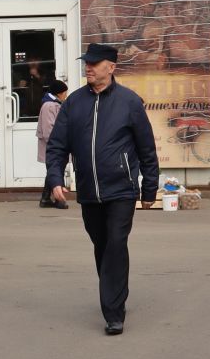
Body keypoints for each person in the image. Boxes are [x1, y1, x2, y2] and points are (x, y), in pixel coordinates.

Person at [46, 43, 158, 336]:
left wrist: (150, 189)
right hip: (88, 190)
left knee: (116, 243)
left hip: (121, 189)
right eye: (87, 62)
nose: (89, 67)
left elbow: (147, 148)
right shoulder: (74, 103)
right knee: (102, 244)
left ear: (111, 66)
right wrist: (55, 179)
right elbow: (57, 145)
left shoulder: (129, 102)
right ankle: (114, 291)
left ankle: (113, 311)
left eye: (95, 63)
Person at [36, 79, 71, 208]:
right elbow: (48, 129)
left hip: (55, 144)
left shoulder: (54, 104)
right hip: (52, 145)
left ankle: (45, 198)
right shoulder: (49, 106)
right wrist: (58, 143)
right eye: (65, 92)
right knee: (56, 169)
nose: (66, 95)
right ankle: (58, 199)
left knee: (54, 169)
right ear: (59, 93)